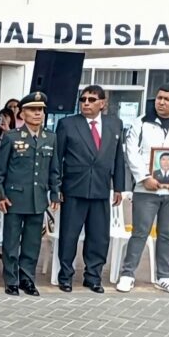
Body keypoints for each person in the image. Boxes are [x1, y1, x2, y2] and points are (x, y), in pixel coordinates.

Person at [117, 83, 169, 295]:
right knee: (140, 232)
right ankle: (127, 274)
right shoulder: (142, 122)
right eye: (159, 98)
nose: (161, 102)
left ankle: (164, 276)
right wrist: (144, 177)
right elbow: (131, 152)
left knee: (167, 234)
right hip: (147, 188)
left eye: (167, 99)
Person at [55, 85, 125, 293]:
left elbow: (118, 157)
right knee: (69, 235)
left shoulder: (114, 124)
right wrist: (56, 186)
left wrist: (119, 186)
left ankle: (93, 277)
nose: (86, 103)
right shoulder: (67, 124)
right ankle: (65, 276)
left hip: (101, 188)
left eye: (92, 99)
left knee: (98, 236)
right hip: (74, 188)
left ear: (103, 103)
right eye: (83, 99)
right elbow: (57, 158)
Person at [0, 92, 61, 296]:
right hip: (14, 198)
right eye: (32, 110)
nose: (37, 113)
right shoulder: (12, 137)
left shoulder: (51, 137)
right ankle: (11, 280)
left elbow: (54, 169)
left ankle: (27, 279)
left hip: (37, 199)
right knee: (11, 242)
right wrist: (0, 196)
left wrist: (55, 193)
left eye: (40, 110)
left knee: (32, 243)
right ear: (22, 113)